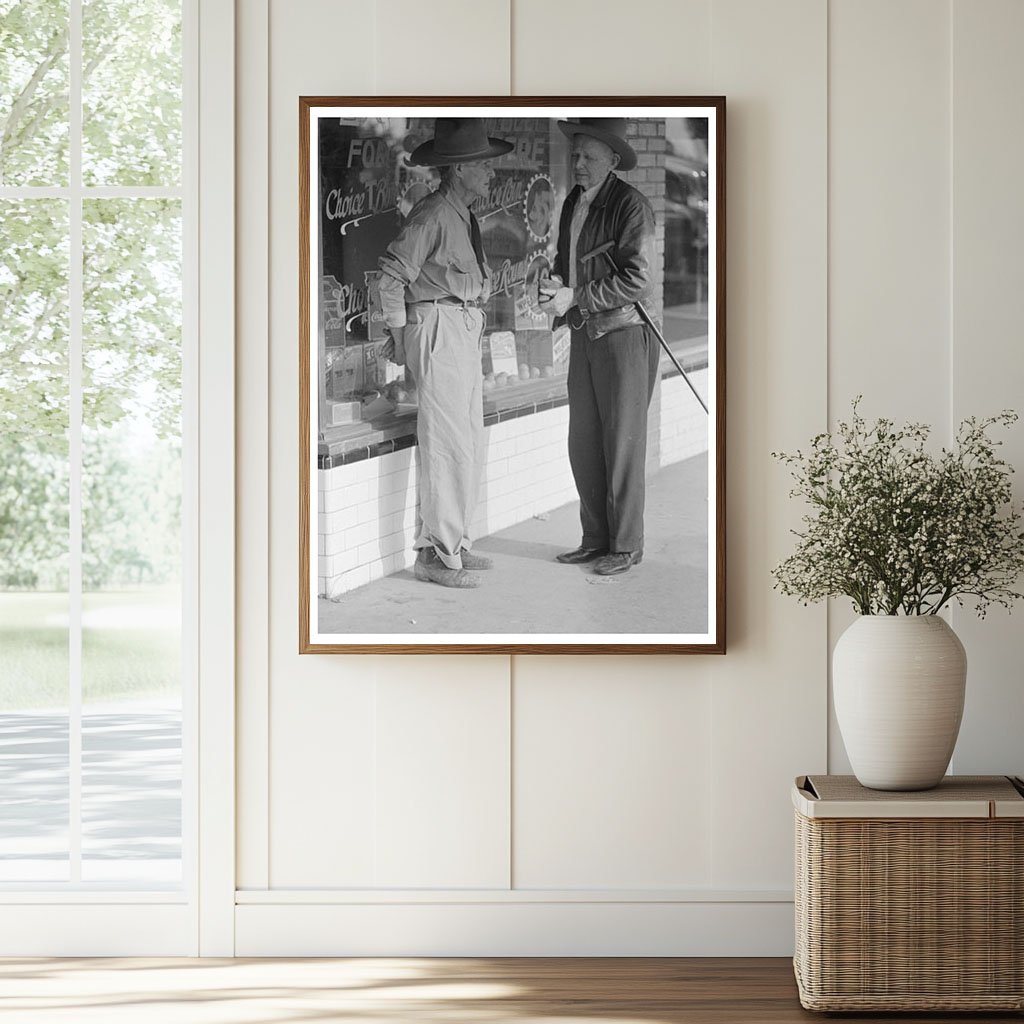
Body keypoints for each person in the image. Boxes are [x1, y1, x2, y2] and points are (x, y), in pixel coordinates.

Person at [378, 118, 513, 589]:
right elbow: (390, 279)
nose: (491, 174)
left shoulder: (462, 215)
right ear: (458, 169)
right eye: (484, 166)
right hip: (438, 326)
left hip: (459, 326)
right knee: (448, 444)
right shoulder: (434, 214)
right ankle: (436, 555)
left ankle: (453, 544)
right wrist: (399, 337)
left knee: (466, 441)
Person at [540, 118, 659, 576]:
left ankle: (626, 546)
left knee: (622, 445)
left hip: (625, 337)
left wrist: (579, 297)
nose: (579, 164)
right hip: (584, 333)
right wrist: (555, 287)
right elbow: (565, 261)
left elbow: (637, 277)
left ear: (613, 160)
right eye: (575, 156)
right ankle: (595, 540)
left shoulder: (632, 206)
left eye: (589, 157)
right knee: (584, 442)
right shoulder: (573, 201)